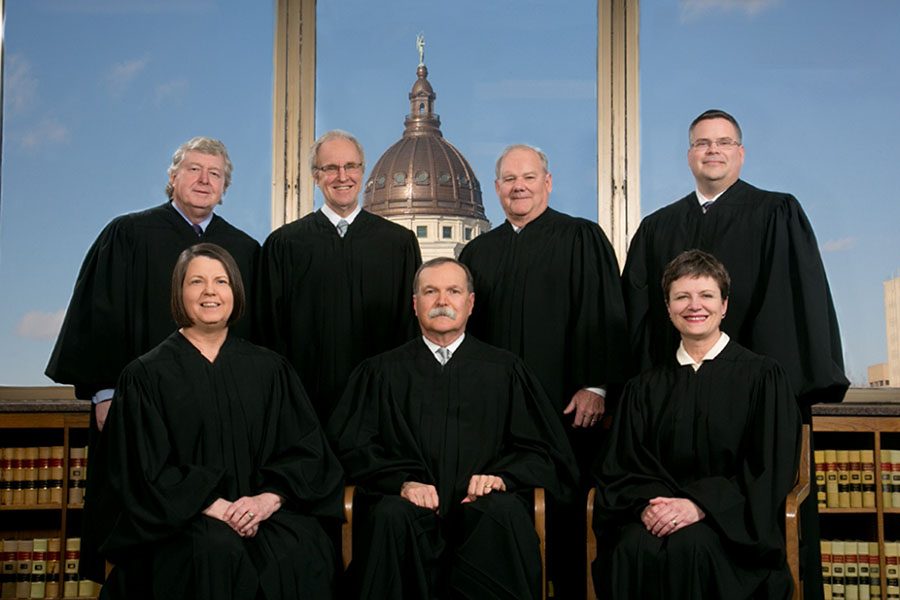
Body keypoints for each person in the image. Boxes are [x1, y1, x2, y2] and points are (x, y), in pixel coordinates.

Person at [621, 109, 848, 599]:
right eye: (702, 143)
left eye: (724, 142)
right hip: (674, 405)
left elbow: (791, 310)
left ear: (740, 152)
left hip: (745, 410)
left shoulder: (776, 213)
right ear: (689, 155)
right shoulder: (658, 227)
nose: (713, 151)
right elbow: (637, 324)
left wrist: (757, 385)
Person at [45, 136, 260, 580]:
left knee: (216, 522)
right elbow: (98, 318)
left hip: (214, 413)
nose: (204, 180)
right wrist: (105, 394)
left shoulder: (244, 250)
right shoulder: (127, 235)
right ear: (173, 177)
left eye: (214, 174)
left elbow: (255, 339)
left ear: (225, 187)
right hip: (138, 411)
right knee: (143, 526)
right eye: (194, 170)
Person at [98, 243, 344, 600]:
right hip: (181, 521)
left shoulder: (270, 369)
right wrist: (213, 506)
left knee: (298, 552)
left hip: (264, 514)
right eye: (196, 282)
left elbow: (307, 453)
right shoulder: (146, 376)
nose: (210, 291)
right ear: (179, 293)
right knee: (213, 553)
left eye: (221, 281)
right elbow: (141, 470)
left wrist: (266, 501)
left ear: (235, 292)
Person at [327, 257, 579, 600]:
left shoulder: (505, 371)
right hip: (408, 514)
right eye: (430, 292)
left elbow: (545, 451)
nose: (442, 301)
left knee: (504, 511)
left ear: (470, 303)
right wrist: (400, 483)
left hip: (482, 510)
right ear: (415, 305)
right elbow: (349, 447)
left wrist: (502, 477)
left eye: (453, 291)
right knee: (389, 516)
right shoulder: (381, 373)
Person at [458, 143, 628, 597]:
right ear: (497, 189)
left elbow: (604, 315)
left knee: (567, 515)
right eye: (510, 180)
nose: (519, 187)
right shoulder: (478, 255)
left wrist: (595, 385)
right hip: (497, 419)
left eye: (529, 178)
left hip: (567, 411)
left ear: (547, 183)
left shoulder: (581, 238)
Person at [593, 250, 801, 599]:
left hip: (731, 529)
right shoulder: (644, 387)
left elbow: (767, 467)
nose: (694, 306)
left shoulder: (763, 377)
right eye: (682, 297)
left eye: (706, 295)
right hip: (655, 518)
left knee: (691, 546)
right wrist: (649, 507)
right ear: (668, 307)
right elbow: (622, 467)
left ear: (724, 306)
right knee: (632, 547)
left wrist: (699, 505)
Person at [256, 129, 422, 422]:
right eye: (330, 168)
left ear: (363, 171)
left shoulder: (398, 244)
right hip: (303, 408)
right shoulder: (284, 245)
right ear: (316, 176)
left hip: (379, 408)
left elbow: (408, 329)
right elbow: (270, 332)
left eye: (351, 166)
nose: (342, 176)